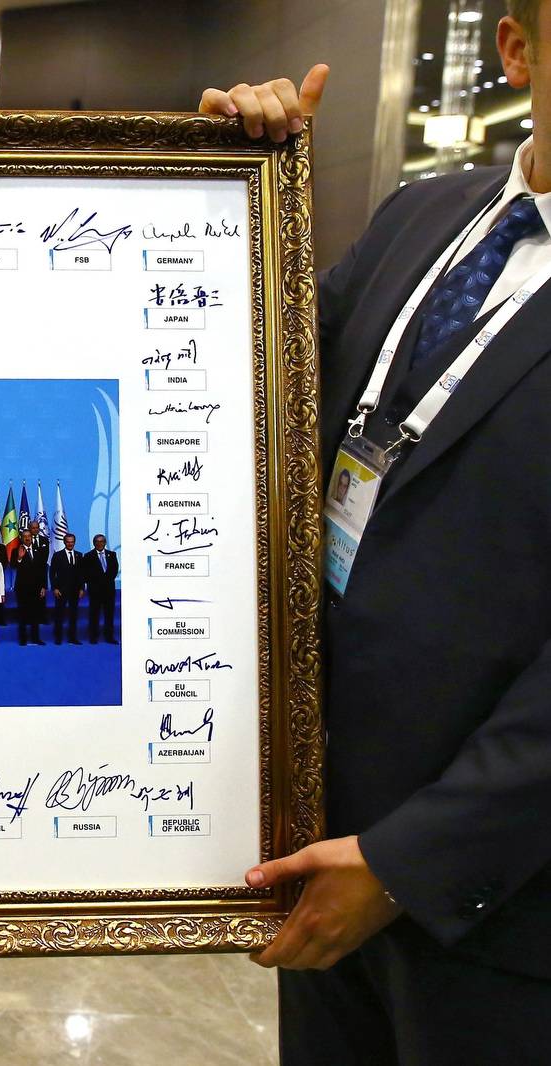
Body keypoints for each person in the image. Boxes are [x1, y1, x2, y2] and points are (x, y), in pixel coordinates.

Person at [202, 13, 551, 1060]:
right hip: (320, 843)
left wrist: (409, 862)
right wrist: (217, 199)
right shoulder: (421, 214)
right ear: (519, 51)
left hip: (499, 903)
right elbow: (261, 378)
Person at [81, 534, 118, 645]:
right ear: (94, 543)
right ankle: (93, 637)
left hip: (109, 590)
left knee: (109, 615)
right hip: (95, 591)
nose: (99, 543)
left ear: (105, 543)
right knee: (94, 614)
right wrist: (98, 582)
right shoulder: (88, 556)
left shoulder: (112, 554)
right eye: (97, 541)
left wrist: (105, 581)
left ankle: (109, 637)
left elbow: (114, 571)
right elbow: (85, 573)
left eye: (102, 541)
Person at [14, 532, 48, 646]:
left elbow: (43, 570)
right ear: (21, 538)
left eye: (29, 536)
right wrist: (19, 558)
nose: (27, 538)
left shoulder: (39, 551)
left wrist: (44, 586)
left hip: (36, 589)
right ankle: (23, 639)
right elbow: (13, 566)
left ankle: (35, 638)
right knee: (22, 614)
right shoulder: (16, 551)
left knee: (35, 614)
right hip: (22, 589)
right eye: (25, 536)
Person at [51, 533, 84, 645]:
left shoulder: (79, 555)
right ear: (64, 542)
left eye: (72, 542)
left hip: (75, 590)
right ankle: (58, 638)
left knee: (73, 615)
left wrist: (82, 588)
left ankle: (72, 638)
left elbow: (81, 574)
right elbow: (52, 573)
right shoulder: (57, 555)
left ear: (74, 542)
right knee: (59, 615)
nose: (70, 544)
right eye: (68, 542)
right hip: (61, 590)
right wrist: (55, 588)